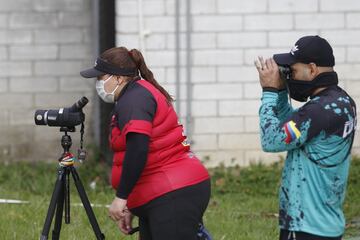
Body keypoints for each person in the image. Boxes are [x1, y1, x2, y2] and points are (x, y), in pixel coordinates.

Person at [80, 47, 211, 240]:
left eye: (101, 78)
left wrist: (122, 197)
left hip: (173, 191)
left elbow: (138, 149)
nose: (98, 83)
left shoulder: (134, 100)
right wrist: (134, 205)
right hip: (164, 192)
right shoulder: (134, 94)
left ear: (118, 78)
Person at [255, 35, 357, 240]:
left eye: (293, 71)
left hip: (306, 228)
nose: (290, 76)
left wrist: (269, 92)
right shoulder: (340, 101)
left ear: (312, 69)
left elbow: (272, 140)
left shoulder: (318, 111)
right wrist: (282, 91)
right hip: (326, 224)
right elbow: (293, 128)